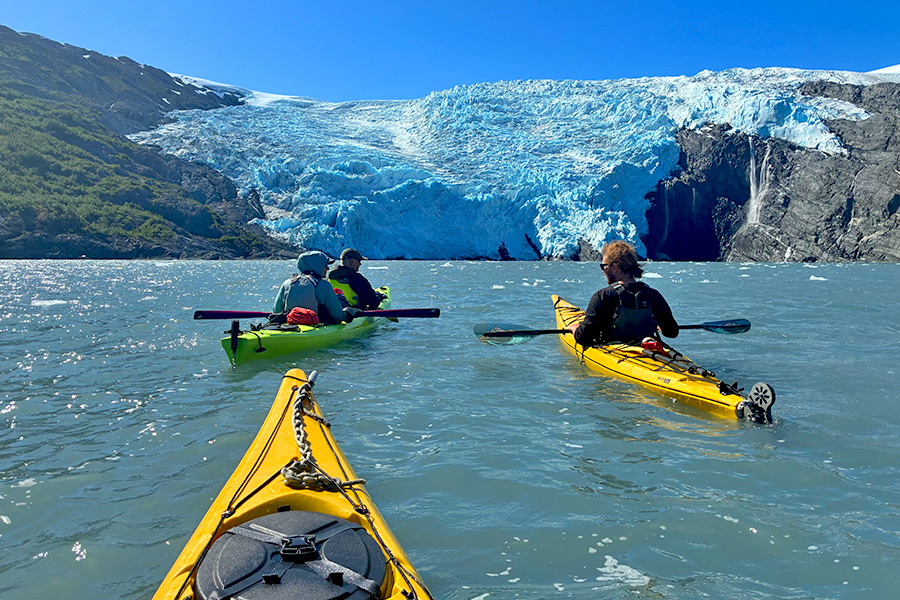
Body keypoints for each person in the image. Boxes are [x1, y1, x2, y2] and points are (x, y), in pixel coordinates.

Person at [566, 240, 679, 346]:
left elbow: (584, 337)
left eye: (604, 266)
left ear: (615, 267)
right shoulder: (653, 295)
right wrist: (659, 325)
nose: (603, 270)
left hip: (618, 353)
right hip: (647, 348)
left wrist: (575, 329)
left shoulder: (603, 296)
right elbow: (672, 332)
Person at [273, 251, 346, 324]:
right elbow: (338, 316)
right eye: (325, 265)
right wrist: (350, 313)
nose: (327, 268)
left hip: (289, 325)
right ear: (317, 266)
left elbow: (276, 311)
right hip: (315, 327)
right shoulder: (323, 285)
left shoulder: (288, 283)